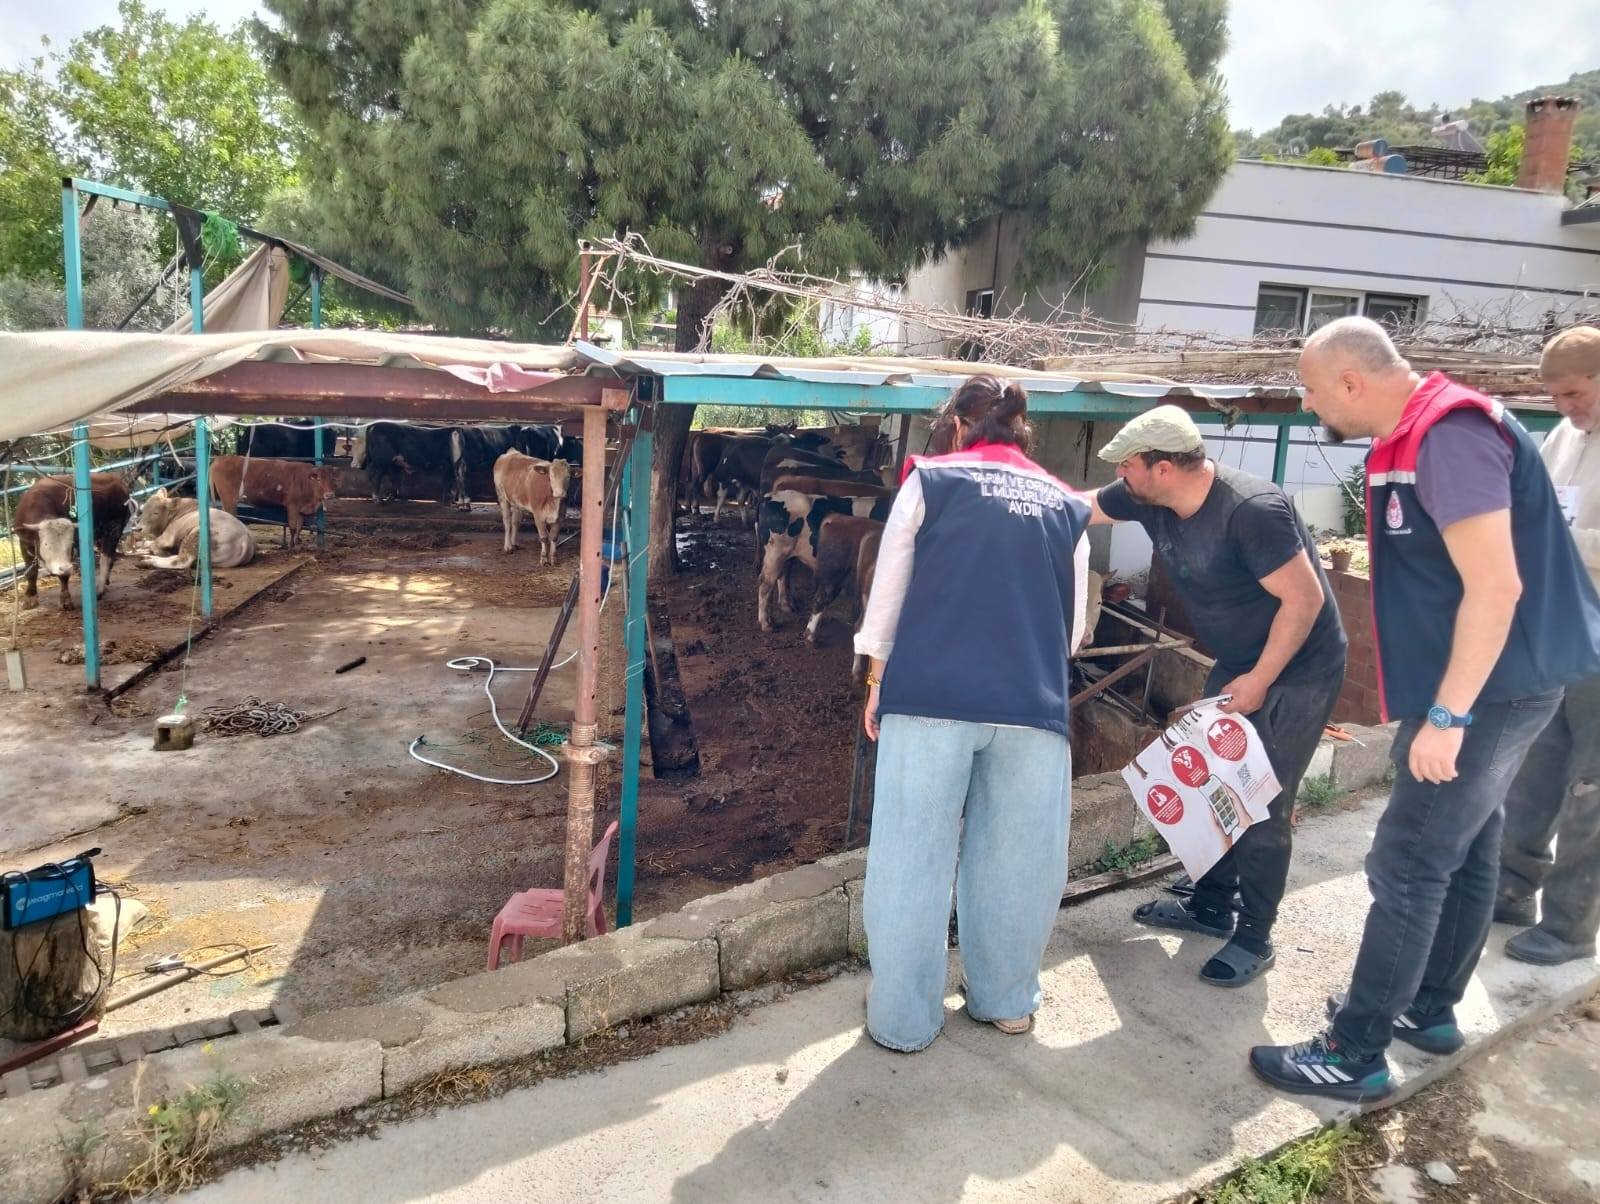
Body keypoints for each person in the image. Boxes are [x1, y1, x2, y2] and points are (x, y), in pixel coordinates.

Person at [1251, 317, 1600, 1102]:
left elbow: (1497, 585)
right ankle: (1431, 1013)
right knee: (1470, 845)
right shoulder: (1413, 434)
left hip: (1489, 689)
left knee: (1407, 859)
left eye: (1309, 390)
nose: (1308, 407)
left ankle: (1355, 1051)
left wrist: (1447, 718)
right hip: (1485, 682)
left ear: (1350, 381)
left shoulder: (1449, 434)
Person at [856, 374, 1092, 1051]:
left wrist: (876, 676)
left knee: (911, 857)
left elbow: (887, 597)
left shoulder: (930, 482)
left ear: (959, 425)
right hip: (1032, 703)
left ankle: (902, 1020)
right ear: (1021, 430)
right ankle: (1007, 1001)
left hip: (930, 696)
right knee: (1021, 859)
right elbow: (1071, 630)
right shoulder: (1065, 503)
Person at [1087, 406, 1347, 987]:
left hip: (1298, 668)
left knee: (1261, 800)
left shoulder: (1252, 511)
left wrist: (1259, 680)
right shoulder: (1143, 495)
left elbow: (1304, 602)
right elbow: (1077, 507)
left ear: (1163, 468)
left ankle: (1254, 936)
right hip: (1239, 661)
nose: (1120, 476)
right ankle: (1209, 905)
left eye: (1128, 466)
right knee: (1211, 781)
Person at [1494, 325, 1600, 966]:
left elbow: (1561, 534)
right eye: (1556, 396)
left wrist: (1559, 542)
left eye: (1576, 392)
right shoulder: (1564, 437)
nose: (1566, 406)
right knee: (1533, 771)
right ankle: (1511, 894)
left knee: (1591, 785)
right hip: (1557, 634)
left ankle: (1569, 926)